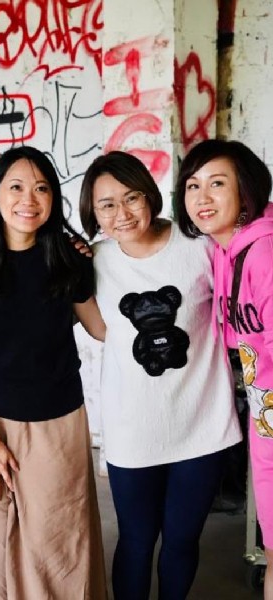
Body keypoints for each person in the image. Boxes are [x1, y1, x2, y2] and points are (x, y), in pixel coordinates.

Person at [0, 145, 107, 600]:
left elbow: (101, 328)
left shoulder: (66, 259)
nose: (28, 199)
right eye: (16, 186)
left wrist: (106, 257)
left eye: (41, 188)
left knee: (56, 543)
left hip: (58, 422)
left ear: (53, 199)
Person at [78, 150, 242, 600]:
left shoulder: (198, 247)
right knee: (135, 540)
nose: (122, 213)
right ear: (93, 212)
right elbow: (100, 329)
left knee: (182, 540)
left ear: (150, 196)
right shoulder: (93, 260)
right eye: (107, 205)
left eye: (131, 198)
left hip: (203, 427)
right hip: (133, 432)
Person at [174, 139, 273, 599]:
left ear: (247, 192)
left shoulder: (266, 254)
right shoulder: (221, 250)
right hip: (264, 420)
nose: (202, 198)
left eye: (217, 184)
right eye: (193, 186)